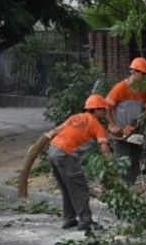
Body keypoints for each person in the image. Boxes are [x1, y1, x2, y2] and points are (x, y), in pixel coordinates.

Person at [45, 94, 111, 232]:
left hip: (52, 151)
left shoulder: (75, 117)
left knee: (67, 188)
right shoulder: (96, 124)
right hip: (66, 154)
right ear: (97, 110)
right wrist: (111, 165)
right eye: (104, 110)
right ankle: (86, 221)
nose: (105, 113)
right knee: (79, 188)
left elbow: (56, 130)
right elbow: (104, 147)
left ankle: (69, 219)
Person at [105, 56, 146, 185]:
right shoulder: (120, 88)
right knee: (122, 161)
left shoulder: (143, 89)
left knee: (135, 161)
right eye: (143, 74)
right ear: (135, 72)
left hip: (136, 130)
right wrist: (113, 125)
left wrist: (142, 119)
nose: (144, 78)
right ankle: (120, 188)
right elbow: (106, 107)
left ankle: (130, 186)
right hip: (121, 132)